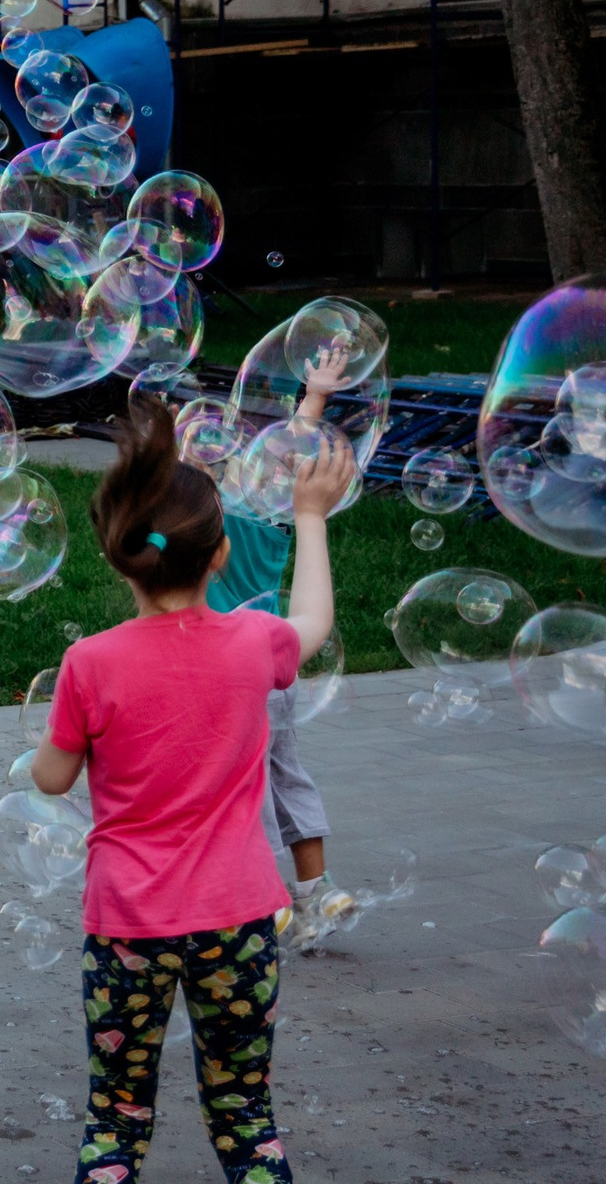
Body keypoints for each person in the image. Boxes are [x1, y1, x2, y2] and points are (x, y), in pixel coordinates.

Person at [30, 396, 353, 1184]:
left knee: (116, 1115)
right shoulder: (255, 642)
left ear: (118, 557)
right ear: (220, 552)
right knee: (246, 1116)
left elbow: (51, 776)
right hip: (239, 921)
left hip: (128, 924)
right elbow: (313, 619)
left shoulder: (89, 662)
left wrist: (57, 739)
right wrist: (310, 515)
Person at [205, 351, 349, 918]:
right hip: (273, 661)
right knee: (288, 774)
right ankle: (319, 888)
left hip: (223, 674)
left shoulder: (204, 529)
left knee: (246, 784)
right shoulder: (271, 518)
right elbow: (287, 451)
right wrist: (315, 396)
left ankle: (265, 897)